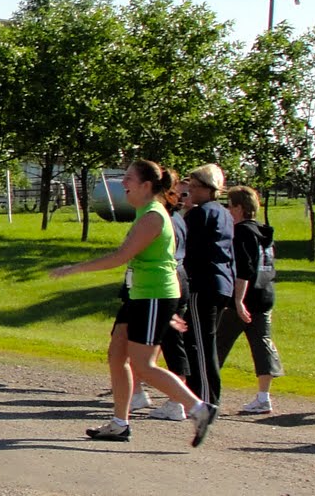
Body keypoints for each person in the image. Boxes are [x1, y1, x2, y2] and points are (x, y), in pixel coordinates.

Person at [50, 160, 218, 446]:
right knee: (117, 354)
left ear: (146, 185)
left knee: (143, 365)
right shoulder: (144, 212)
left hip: (155, 295)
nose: (123, 182)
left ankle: (199, 409)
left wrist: (75, 268)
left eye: (128, 178)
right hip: (140, 294)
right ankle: (119, 423)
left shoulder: (153, 216)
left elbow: (121, 256)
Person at [218, 185, 282, 414]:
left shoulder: (242, 232)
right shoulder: (263, 232)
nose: (227, 209)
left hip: (245, 298)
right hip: (265, 294)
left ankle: (202, 393)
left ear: (238, 208)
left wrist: (237, 300)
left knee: (216, 343)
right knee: (262, 344)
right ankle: (263, 396)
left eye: (229, 205)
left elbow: (244, 270)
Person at [182, 163, 235, 408]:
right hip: (222, 282)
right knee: (203, 339)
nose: (190, 191)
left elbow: (188, 250)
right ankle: (200, 393)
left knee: (200, 343)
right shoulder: (224, 213)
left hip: (203, 283)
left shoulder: (199, 214)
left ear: (208, 188)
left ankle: (206, 398)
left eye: (194, 187)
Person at [143, 171, 194, 422]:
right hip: (177, 278)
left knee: (171, 343)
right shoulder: (177, 218)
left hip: (168, 281)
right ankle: (141, 390)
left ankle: (179, 401)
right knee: (161, 341)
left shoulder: (164, 219)